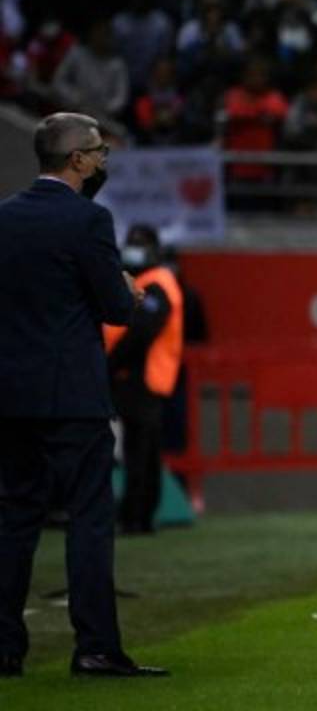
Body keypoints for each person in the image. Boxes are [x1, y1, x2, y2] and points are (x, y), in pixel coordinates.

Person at [0, 112, 167, 678]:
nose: (102, 162)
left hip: (12, 396)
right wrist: (127, 287)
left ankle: (5, 648)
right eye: (98, 153)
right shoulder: (89, 220)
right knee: (89, 520)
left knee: (14, 518)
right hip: (73, 397)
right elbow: (117, 310)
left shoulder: (4, 218)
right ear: (76, 159)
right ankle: (96, 647)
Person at [103, 224, 184, 536]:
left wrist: (110, 364)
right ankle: (140, 515)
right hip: (143, 376)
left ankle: (136, 516)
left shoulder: (157, 285)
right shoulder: (149, 281)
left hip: (142, 377)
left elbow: (142, 333)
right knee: (142, 450)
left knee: (139, 451)